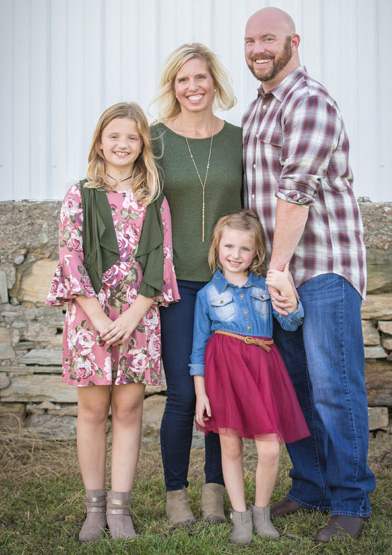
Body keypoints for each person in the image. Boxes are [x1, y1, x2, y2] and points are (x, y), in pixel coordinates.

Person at [242, 7, 376, 543]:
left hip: (320, 268)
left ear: (293, 42)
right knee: (292, 388)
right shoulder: (257, 111)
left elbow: (295, 191)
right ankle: (313, 485)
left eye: (268, 39)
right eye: (250, 40)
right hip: (275, 275)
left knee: (333, 389)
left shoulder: (308, 101)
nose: (258, 48)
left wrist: (276, 269)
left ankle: (351, 501)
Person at [47, 102, 179, 542]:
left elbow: (163, 258)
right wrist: (102, 317)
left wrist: (135, 313)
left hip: (138, 315)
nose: (122, 145)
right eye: (114, 136)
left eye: (132, 137)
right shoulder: (79, 193)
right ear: (100, 141)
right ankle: (94, 508)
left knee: (128, 408)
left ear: (143, 145)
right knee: (92, 409)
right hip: (91, 316)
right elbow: (69, 257)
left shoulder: (152, 196)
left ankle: (120, 508)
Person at [151, 43, 243, 525]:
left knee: (221, 393)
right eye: (183, 79)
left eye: (200, 78)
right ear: (173, 86)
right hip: (178, 286)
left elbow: (251, 213)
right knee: (185, 393)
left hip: (229, 287)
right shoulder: (155, 140)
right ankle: (176, 494)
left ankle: (214, 492)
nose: (193, 87)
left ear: (215, 82)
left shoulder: (239, 141)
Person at [189, 210, 309, 545]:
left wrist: (289, 297)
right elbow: (198, 350)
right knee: (231, 448)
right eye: (229, 246)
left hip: (262, 372)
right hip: (224, 375)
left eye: (245, 249)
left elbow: (290, 323)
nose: (235, 255)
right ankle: (240, 517)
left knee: (270, 449)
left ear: (256, 253)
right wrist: (201, 394)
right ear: (217, 247)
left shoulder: (263, 287)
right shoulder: (207, 295)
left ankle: (261, 512)